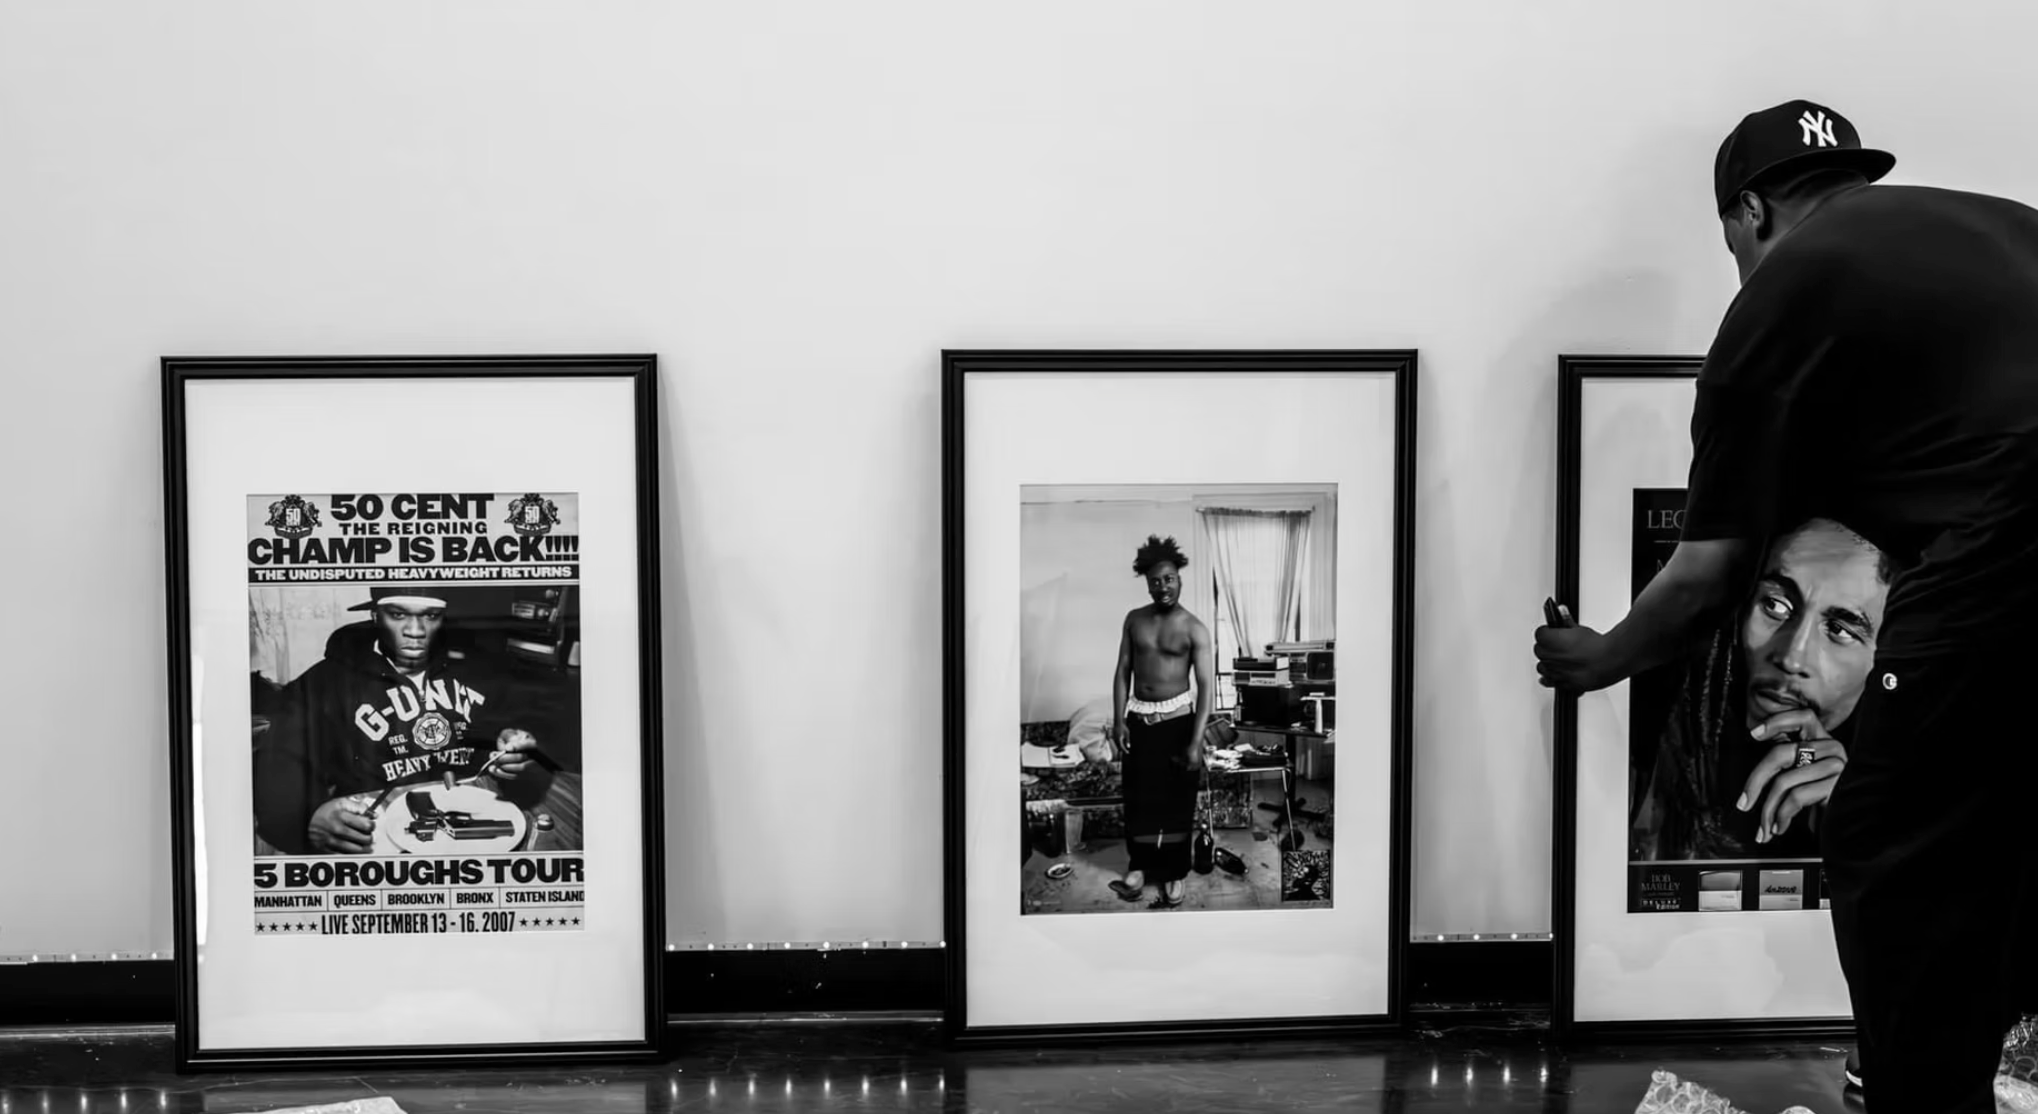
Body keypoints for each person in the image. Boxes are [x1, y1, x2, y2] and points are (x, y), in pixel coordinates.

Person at [1537, 99, 2038, 1112]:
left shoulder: (1781, 295)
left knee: (1892, 849)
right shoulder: (1999, 224)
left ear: (1750, 211)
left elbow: (1705, 576)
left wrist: (1598, 657)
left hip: (2014, 544)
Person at [1631, 516, 1889, 864]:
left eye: (1840, 630)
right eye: (1775, 606)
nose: (1792, 657)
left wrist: (1854, 833)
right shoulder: (1645, 749)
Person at [254, 586, 545, 855]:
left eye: (430, 616)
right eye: (397, 614)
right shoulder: (325, 682)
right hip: (375, 835)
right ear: (375, 616)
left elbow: (520, 738)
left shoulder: (481, 670)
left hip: (473, 828)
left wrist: (517, 751)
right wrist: (305, 820)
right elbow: (278, 766)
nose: (415, 631)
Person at [1107, 534, 1215, 909]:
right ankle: (1138, 867)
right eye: (1155, 581)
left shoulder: (1195, 628)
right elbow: (1122, 671)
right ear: (1147, 583)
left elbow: (1206, 688)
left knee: (1176, 802)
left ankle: (1172, 872)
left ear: (1179, 578)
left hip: (1177, 725)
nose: (1162, 586)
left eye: (1168, 578)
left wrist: (1196, 742)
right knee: (1139, 799)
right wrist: (1118, 720)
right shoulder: (1134, 619)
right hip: (1138, 722)